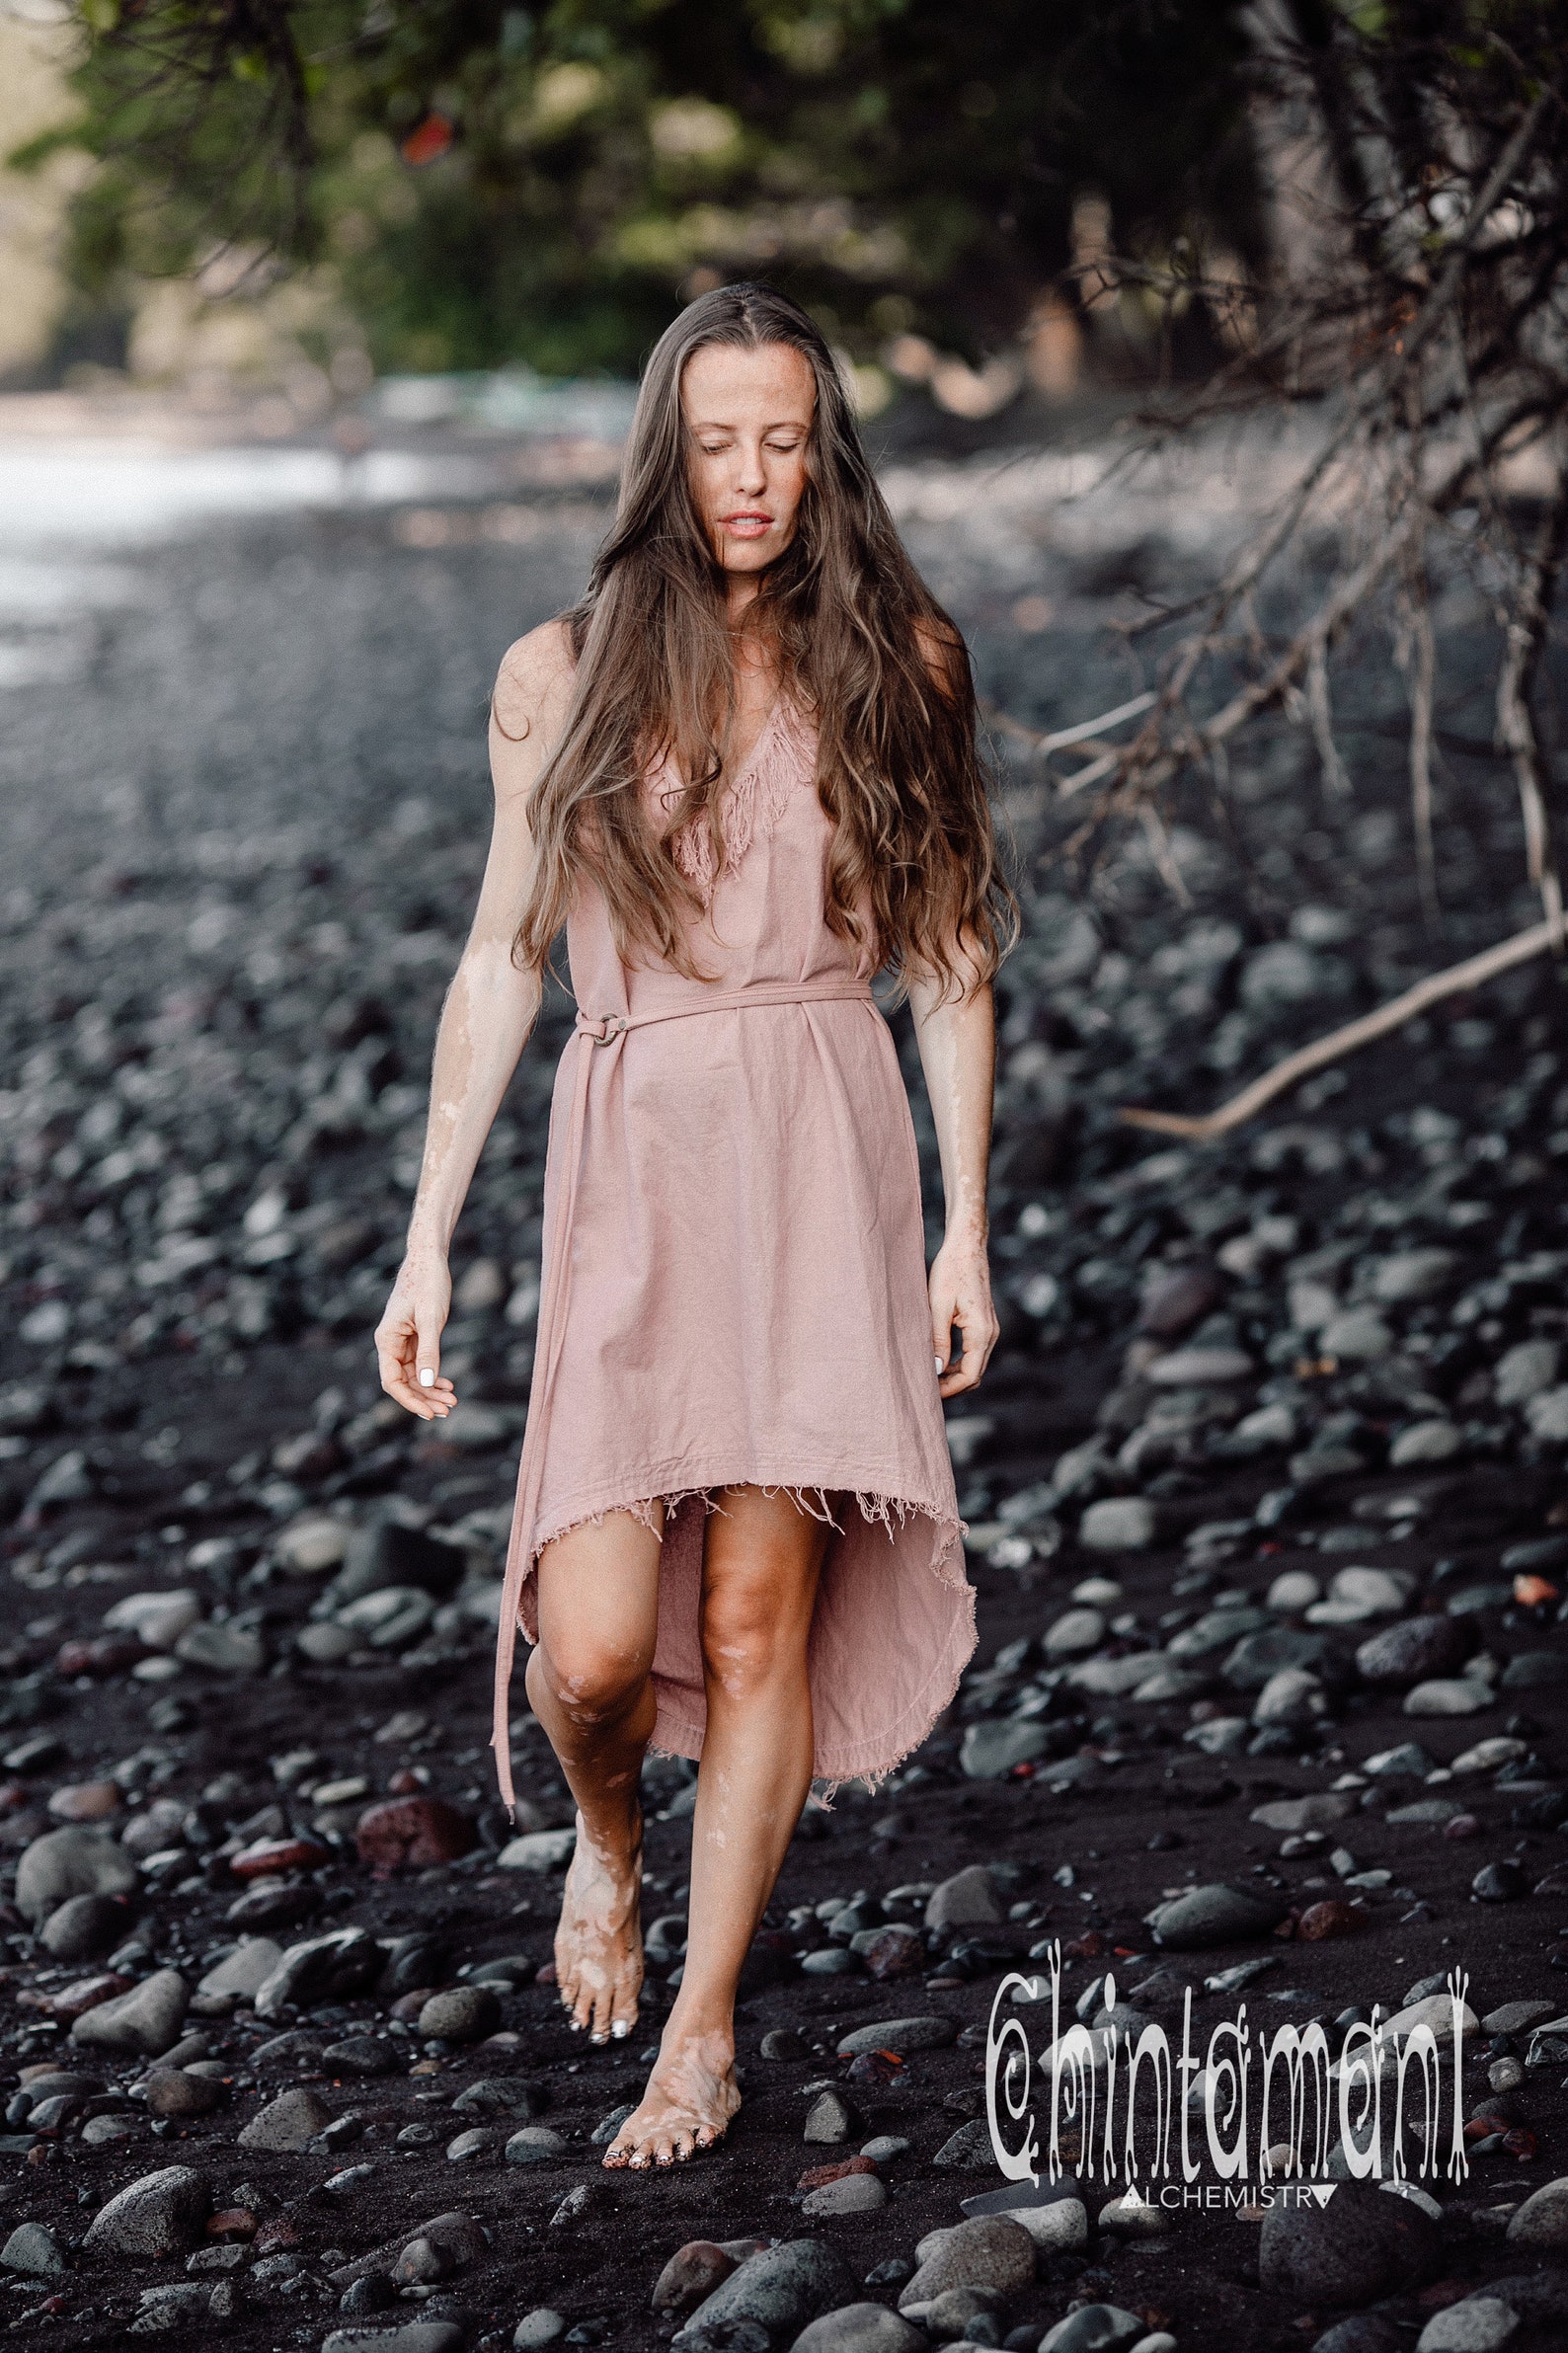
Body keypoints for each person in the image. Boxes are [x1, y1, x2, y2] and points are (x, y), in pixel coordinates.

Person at [375, 281, 1015, 2171]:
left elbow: (953, 957)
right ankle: (604, 1835)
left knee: (756, 1625)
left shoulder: (903, 650)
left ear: (827, 451)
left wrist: (965, 1225)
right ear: (668, 449)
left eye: (785, 438)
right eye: (719, 440)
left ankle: (708, 2033)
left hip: (824, 1144)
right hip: (638, 1153)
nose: (753, 477)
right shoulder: (560, 667)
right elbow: (501, 961)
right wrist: (428, 1238)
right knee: (583, 1648)